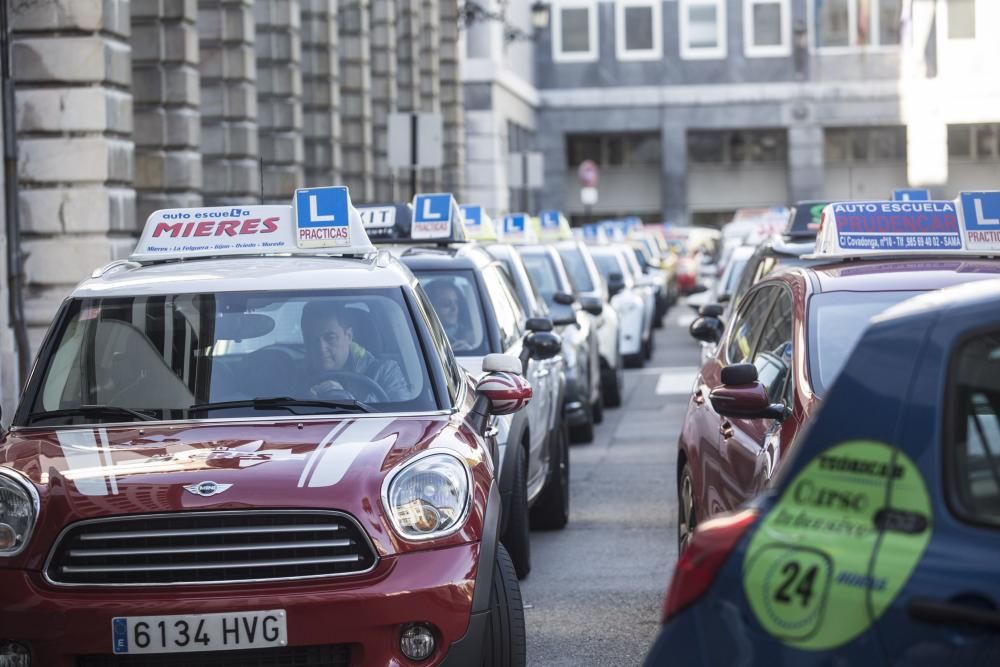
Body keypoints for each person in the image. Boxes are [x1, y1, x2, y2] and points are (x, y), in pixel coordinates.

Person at [300, 302, 409, 402]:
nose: (321, 348)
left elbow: (405, 419)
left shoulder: (385, 373)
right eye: (312, 340)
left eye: (330, 338)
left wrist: (349, 401)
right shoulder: (295, 377)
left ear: (349, 336)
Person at [425, 280, 475, 351]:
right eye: (446, 304)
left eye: (456, 302)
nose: (454, 308)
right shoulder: (424, 338)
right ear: (430, 309)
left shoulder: (473, 337)